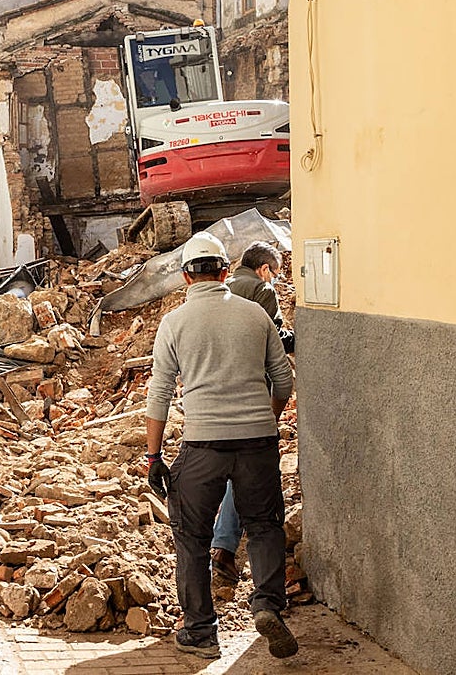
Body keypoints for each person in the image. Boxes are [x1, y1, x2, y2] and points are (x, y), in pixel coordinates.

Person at [144, 232, 297, 660]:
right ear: (225, 273)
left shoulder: (174, 324)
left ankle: (200, 632)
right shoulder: (255, 315)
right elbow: (284, 381)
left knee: (191, 537)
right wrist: (266, 419)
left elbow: (159, 395)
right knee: (265, 526)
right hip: (257, 442)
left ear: (186, 277)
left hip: (203, 446)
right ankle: (268, 606)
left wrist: (154, 456)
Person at [210, 241, 296, 586]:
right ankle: (230, 553)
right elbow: (273, 341)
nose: (275, 279)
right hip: (252, 394)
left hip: (216, 394)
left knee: (224, 472)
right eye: (274, 273)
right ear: (264, 270)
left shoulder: (223, 289)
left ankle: (218, 547)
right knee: (253, 479)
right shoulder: (262, 291)